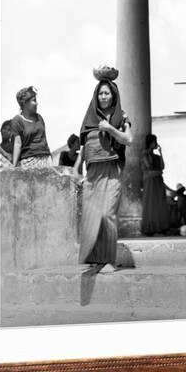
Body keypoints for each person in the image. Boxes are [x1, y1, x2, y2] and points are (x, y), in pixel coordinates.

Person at [73, 76, 132, 273]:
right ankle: (96, 259)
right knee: (92, 216)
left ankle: (109, 259)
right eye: (100, 93)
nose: (103, 96)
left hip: (112, 171)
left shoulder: (121, 117)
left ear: (114, 96)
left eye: (107, 93)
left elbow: (128, 139)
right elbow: (84, 147)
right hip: (92, 174)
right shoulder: (90, 118)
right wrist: (76, 169)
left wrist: (110, 128)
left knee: (107, 214)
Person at [10, 86, 52, 169]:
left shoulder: (39, 118)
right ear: (25, 103)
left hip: (46, 158)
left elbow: (44, 139)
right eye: (34, 101)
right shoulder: (17, 121)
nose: (37, 103)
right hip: (29, 161)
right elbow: (17, 144)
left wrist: (50, 157)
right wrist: (14, 167)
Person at [141, 134, 170, 235]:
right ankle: (150, 228)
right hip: (150, 182)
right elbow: (148, 165)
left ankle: (160, 227)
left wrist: (161, 153)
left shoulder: (156, 156)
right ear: (150, 142)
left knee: (159, 203)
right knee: (150, 204)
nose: (156, 143)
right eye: (154, 141)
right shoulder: (145, 154)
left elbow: (162, 166)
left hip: (157, 181)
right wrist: (158, 172)